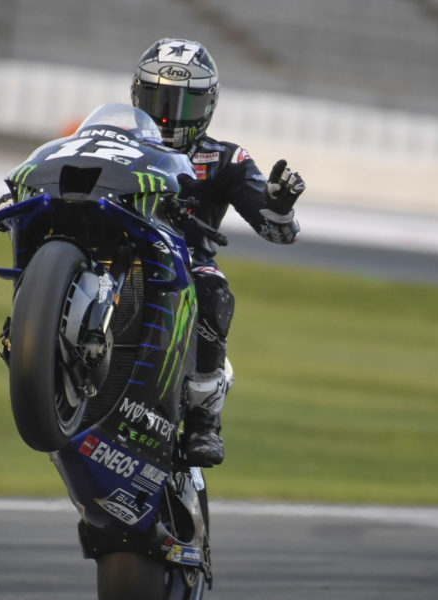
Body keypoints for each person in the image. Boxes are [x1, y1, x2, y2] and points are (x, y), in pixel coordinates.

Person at [131, 38, 306, 467]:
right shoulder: (118, 140)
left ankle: (203, 420)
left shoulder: (225, 158)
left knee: (215, 292)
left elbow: (277, 232)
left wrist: (280, 206)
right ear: (136, 95)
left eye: (182, 103)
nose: (167, 115)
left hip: (185, 265)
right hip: (116, 249)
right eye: (157, 98)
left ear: (207, 105)